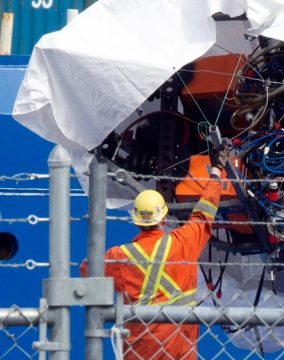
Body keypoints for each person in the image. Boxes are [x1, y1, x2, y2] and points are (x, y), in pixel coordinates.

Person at [84, 145, 229, 359]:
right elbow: (204, 214)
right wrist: (217, 169)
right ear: (163, 218)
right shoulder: (182, 243)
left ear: (136, 219)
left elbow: (87, 271)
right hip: (179, 350)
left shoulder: (119, 257)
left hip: (140, 351)